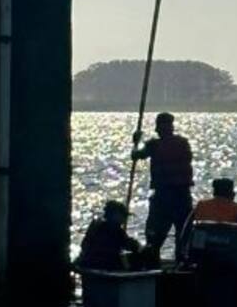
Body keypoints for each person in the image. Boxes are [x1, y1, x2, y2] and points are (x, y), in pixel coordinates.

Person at [131, 112, 194, 262]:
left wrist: (136, 142)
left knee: (156, 237)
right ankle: (180, 263)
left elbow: (136, 155)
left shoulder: (154, 145)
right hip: (181, 196)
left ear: (158, 128)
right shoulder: (183, 143)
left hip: (166, 196)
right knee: (182, 235)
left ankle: (155, 262)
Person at [76, 200, 141, 271]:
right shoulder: (115, 230)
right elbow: (129, 245)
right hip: (105, 264)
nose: (125, 219)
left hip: (89, 263)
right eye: (123, 215)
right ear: (114, 215)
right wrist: (137, 246)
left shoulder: (96, 225)